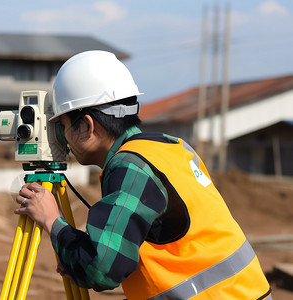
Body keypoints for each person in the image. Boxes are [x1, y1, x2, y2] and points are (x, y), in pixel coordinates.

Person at [14, 50, 271, 299]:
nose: (64, 137)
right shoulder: (172, 146)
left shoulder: (131, 168)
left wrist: (52, 220)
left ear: (88, 126)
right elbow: (169, 245)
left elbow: (101, 271)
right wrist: (77, 252)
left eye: (64, 126)